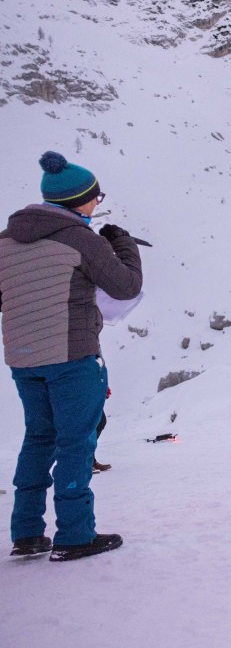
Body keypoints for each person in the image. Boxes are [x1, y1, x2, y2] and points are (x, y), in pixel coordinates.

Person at [0, 151, 142, 560]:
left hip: (24, 359)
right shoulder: (81, 239)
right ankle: (75, 536)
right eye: (96, 196)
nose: (97, 202)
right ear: (79, 200)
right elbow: (126, 286)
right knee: (76, 443)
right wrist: (122, 243)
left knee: (38, 439)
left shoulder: (6, 241)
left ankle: (27, 533)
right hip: (72, 357)